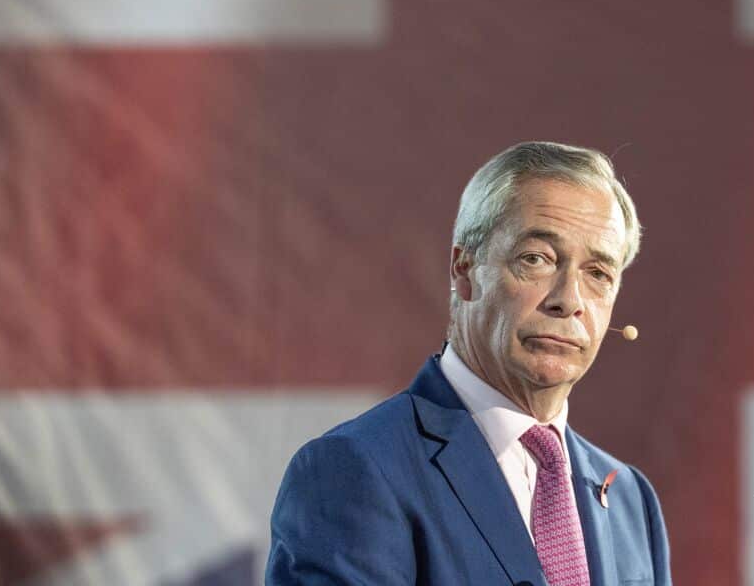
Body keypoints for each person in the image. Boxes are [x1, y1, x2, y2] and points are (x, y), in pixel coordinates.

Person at [266, 141, 670, 586]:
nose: (569, 301)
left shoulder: (630, 499)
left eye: (598, 274)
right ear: (464, 269)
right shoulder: (355, 471)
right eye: (537, 259)